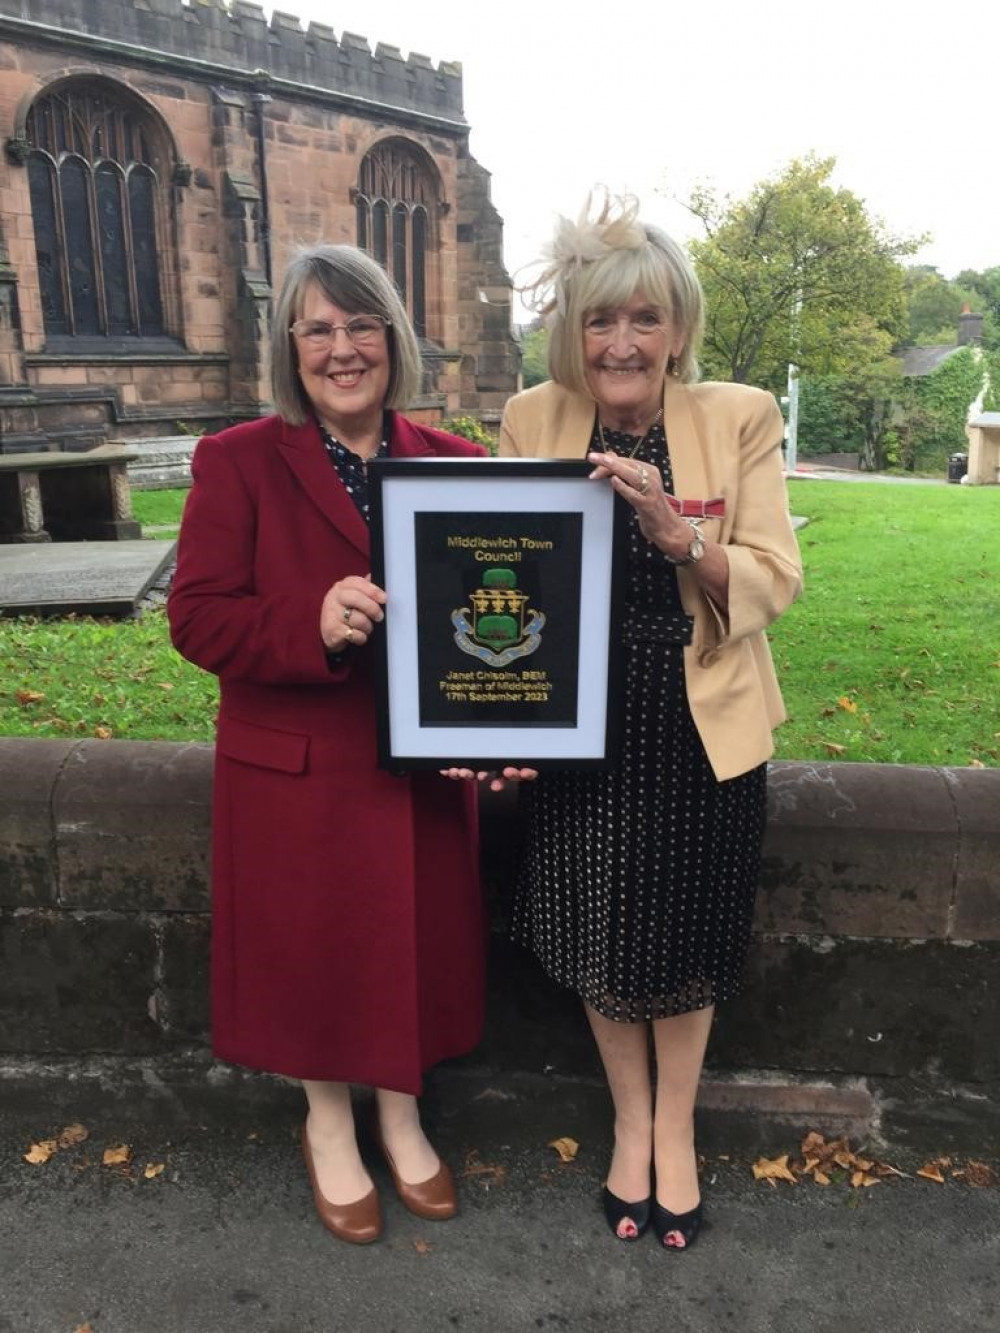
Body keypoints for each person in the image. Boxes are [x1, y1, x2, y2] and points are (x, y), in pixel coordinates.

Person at [168, 244, 495, 1245]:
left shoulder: (459, 465)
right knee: (314, 952)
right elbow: (197, 618)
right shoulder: (236, 461)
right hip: (296, 762)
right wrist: (305, 624)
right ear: (289, 347)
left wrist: (510, 723)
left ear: (394, 338)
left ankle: (400, 1112)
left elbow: (502, 617)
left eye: (362, 326)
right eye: (319, 328)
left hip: (420, 766)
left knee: (416, 942)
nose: (343, 348)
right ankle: (325, 1122)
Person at [498, 193, 803, 1251]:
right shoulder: (530, 419)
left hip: (697, 713)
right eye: (599, 319)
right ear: (571, 330)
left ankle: (675, 1129)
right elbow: (499, 571)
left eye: (644, 318)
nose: (621, 342)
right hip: (577, 719)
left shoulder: (739, 416)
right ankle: (628, 1121)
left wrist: (679, 535)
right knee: (597, 927)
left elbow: (773, 577)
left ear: (677, 329)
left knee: (687, 933)